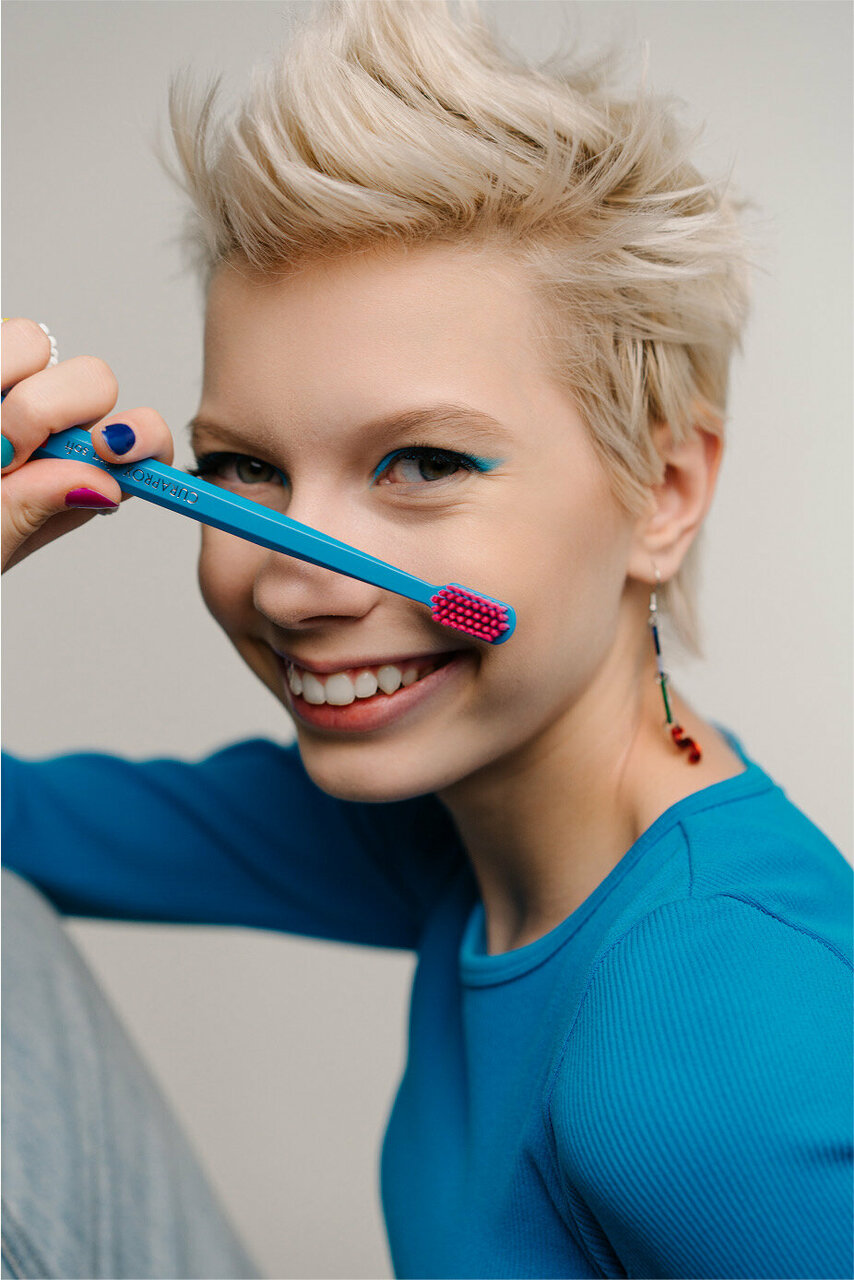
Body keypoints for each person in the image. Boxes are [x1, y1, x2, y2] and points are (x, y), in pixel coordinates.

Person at [2, 2, 851, 1278]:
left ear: (662, 492)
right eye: (242, 469)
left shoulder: (716, 1033)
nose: (295, 587)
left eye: (423, 462)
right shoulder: (448, 834)